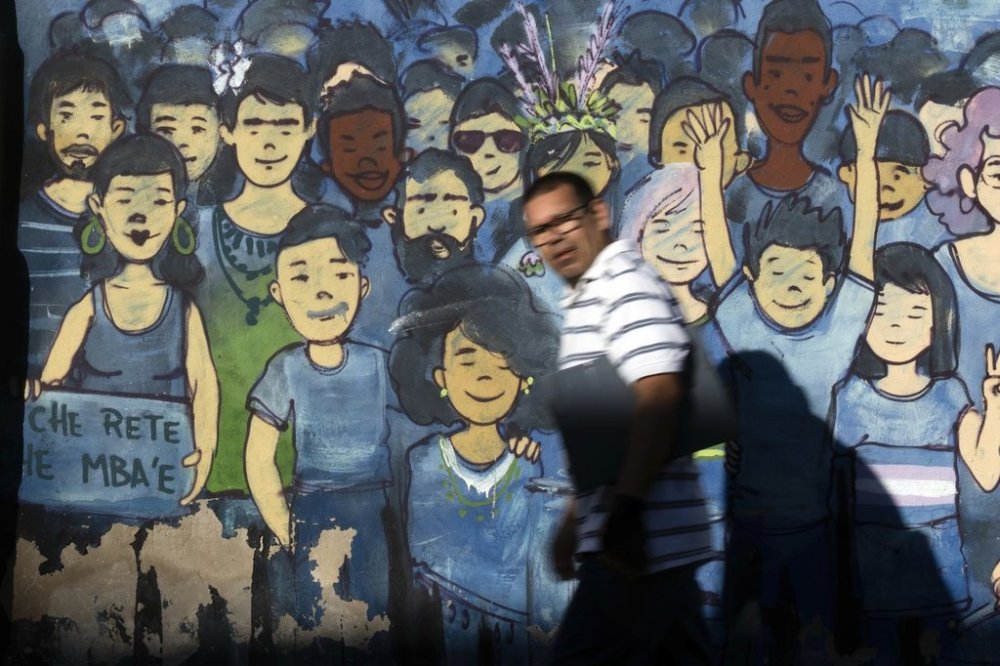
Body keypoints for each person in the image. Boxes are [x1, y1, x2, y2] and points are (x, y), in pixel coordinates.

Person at [523, 171, 716, 664]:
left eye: (564, 220)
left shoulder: (623, 284)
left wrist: (623, 514)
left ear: (598, 215)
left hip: (638, 545)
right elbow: (608, 435)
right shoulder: (588, 298)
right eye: (541, 231)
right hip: (646, 542)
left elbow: (659, 395)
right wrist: (575, 519)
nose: (555, 238)